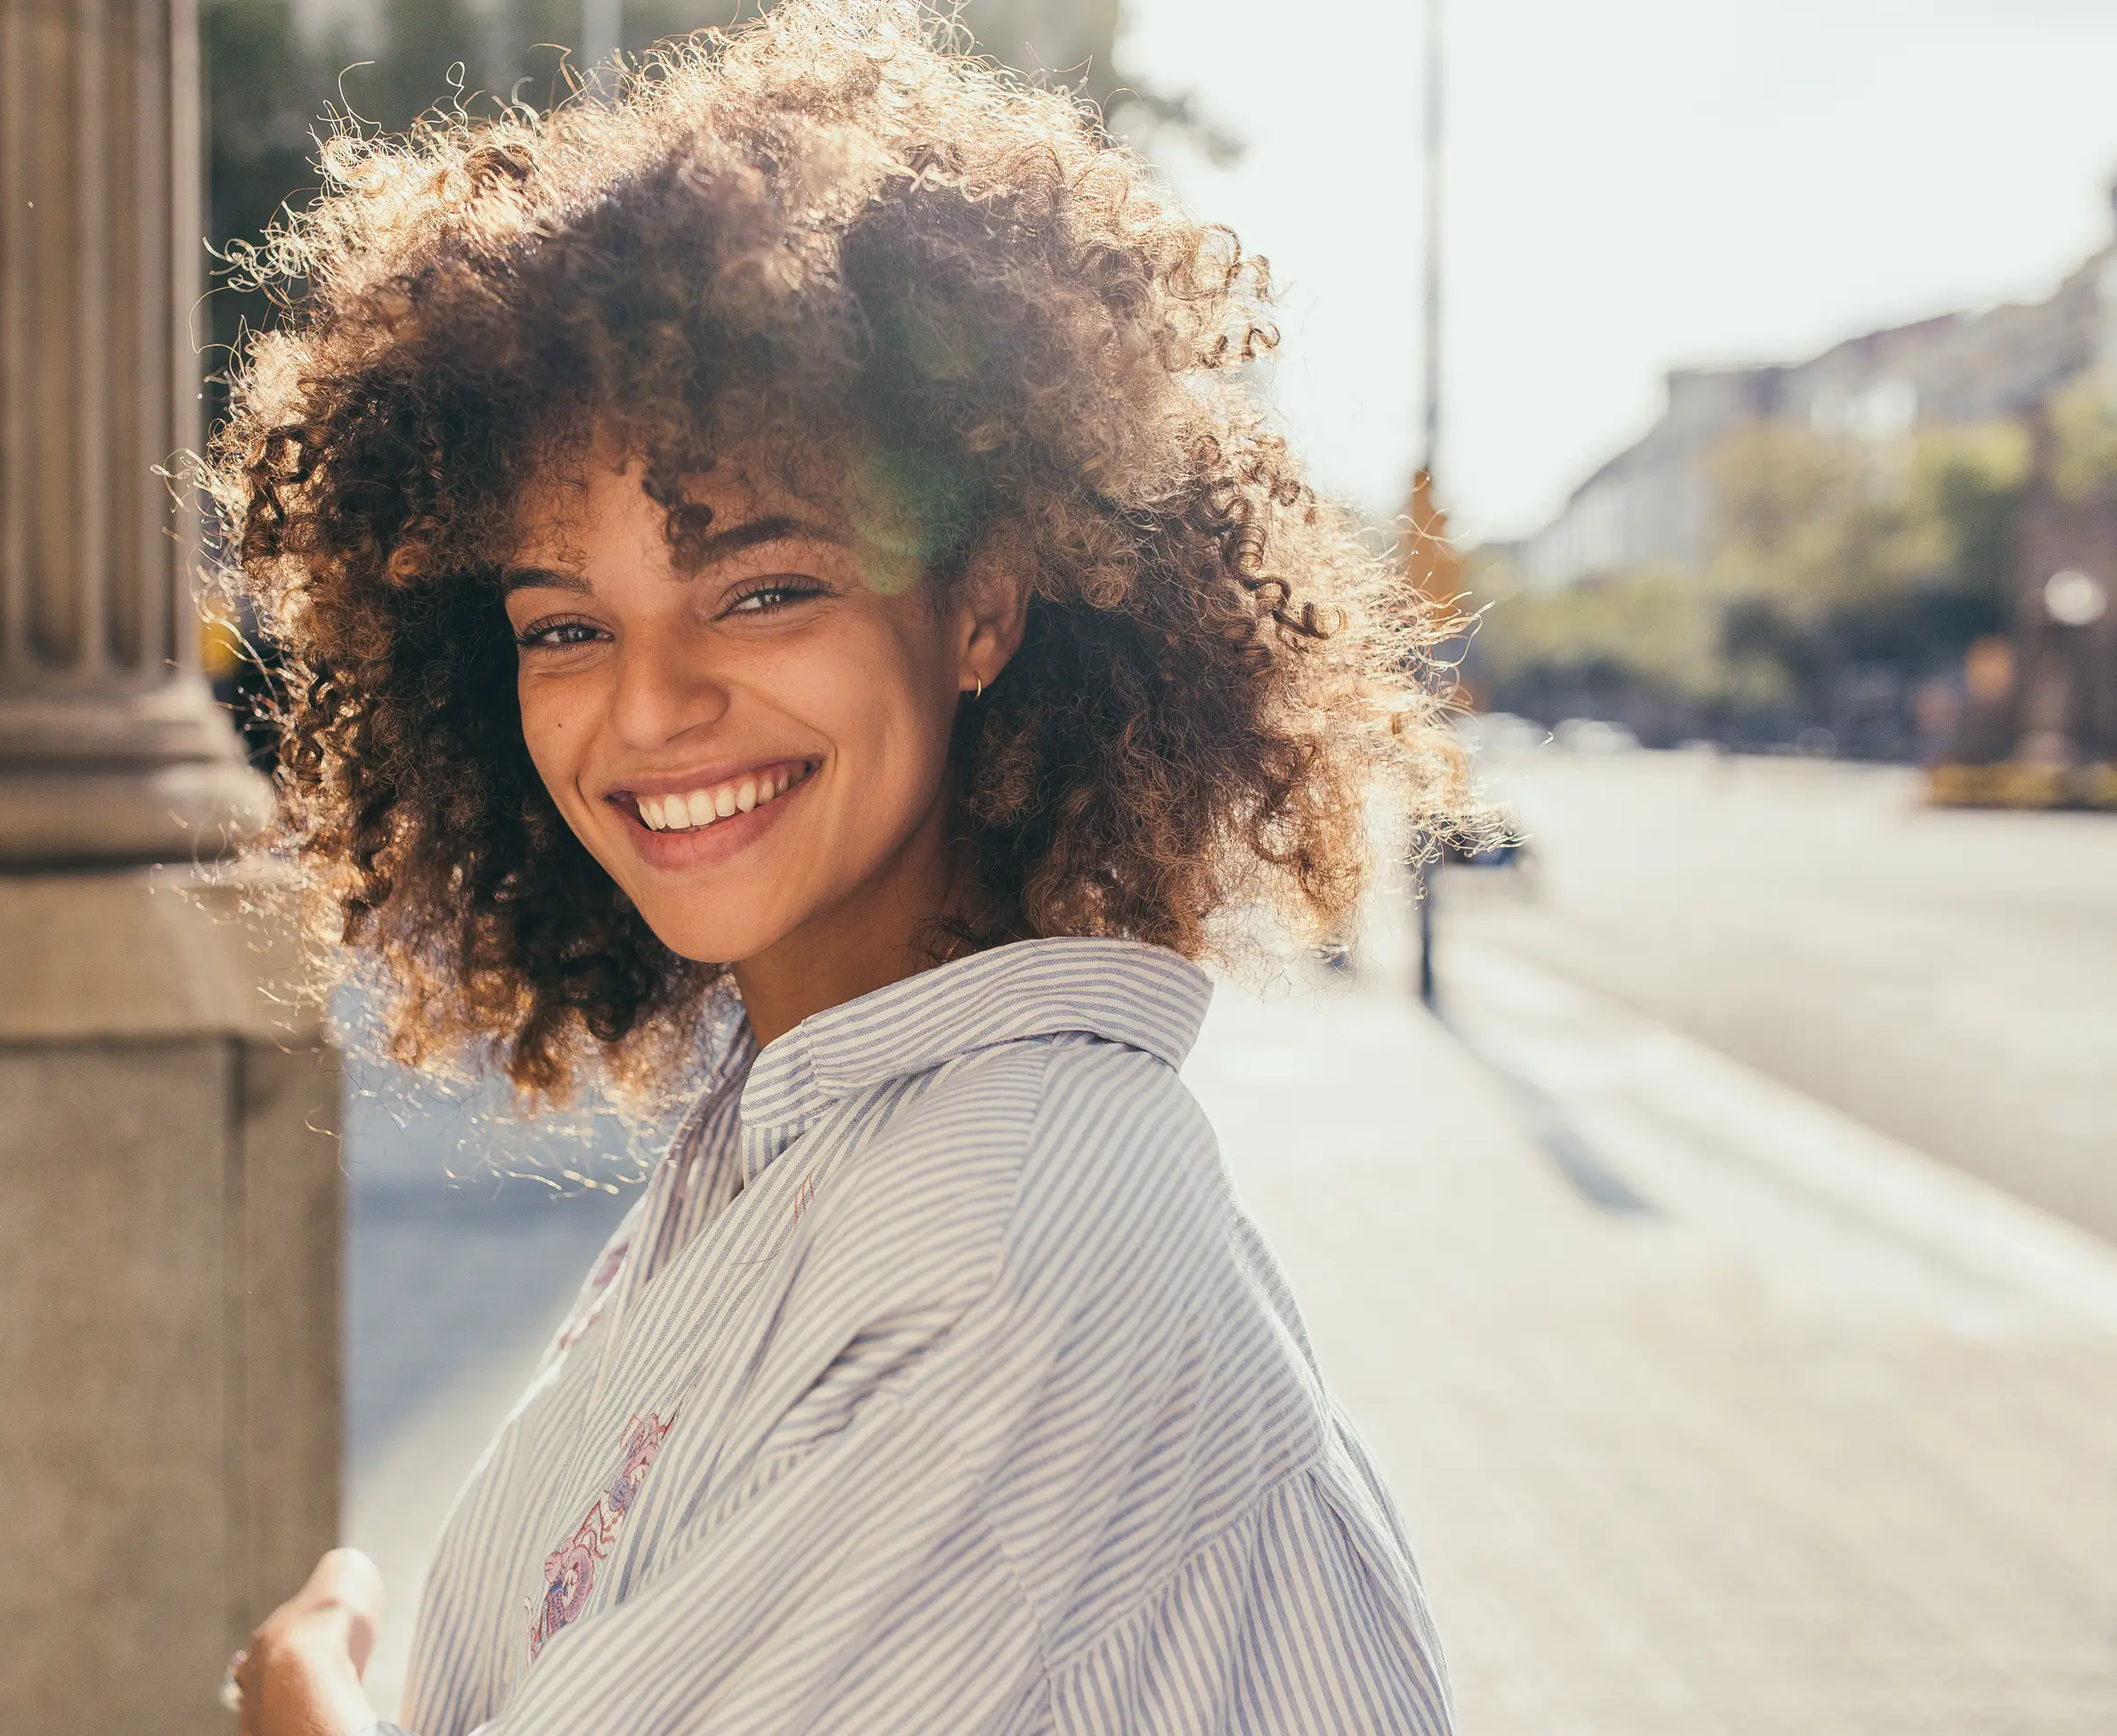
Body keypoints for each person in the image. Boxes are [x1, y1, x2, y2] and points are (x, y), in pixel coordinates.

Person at [211, 4, 1460, 1731]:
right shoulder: (811, 1126)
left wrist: (299, 1702)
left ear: (983, 605)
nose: (648, 706)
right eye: (564, 624)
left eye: (764, 587)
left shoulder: (1010, 1229)